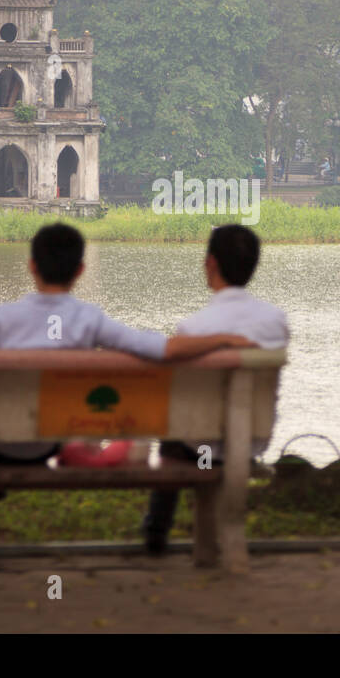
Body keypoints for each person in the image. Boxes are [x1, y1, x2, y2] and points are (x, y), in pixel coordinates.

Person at [0, 223, 253, 470]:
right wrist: (223, 338)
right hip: (45, 443)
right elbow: (159, 349)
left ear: (32, 265)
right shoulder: (88, 319)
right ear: (80, 270)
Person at [141, 224, 289, 554]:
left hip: (201, 447)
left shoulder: (195, 328)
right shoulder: (276, 321)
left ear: (210, 263)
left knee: (173, 425)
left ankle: (156, 529)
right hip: (252, 441)